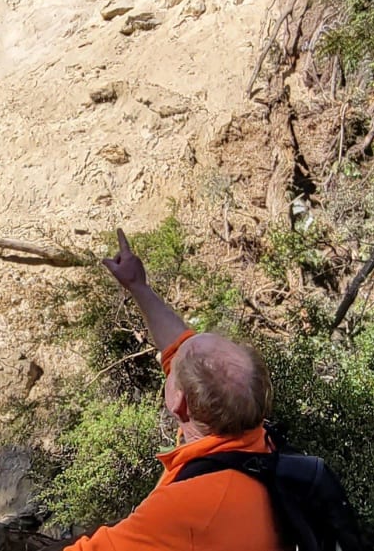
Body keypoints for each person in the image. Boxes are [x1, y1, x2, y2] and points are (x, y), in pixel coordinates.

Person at [63, 230, 287, 551]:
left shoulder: (187, 507)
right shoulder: (257, 442)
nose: (170, 354)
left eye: (173, 367)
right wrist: (138, 286)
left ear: (178, 401)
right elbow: (180, 345)